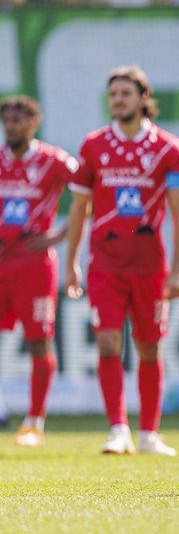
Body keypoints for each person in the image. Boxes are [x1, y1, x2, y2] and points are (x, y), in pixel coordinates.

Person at [64, 65, 179, 456]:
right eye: (113, 94)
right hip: (105, 264)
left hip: (150, 265)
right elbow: (79, 209)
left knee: (150, 348)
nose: (117, 100)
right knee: (106, 342)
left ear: (143, 98)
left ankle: (150, 433)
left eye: (124, 93)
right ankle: (118, 429)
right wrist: (70, 261)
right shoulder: (93, 145)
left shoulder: (169, 148)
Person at [0, 95, 78, 446]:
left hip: (35, 266)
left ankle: (34, 422)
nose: (10, 127)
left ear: (33, 123)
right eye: (6, 121)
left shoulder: (53, 160)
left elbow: (89, 192)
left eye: (17, 120)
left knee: (37, 341)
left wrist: (61, 234)